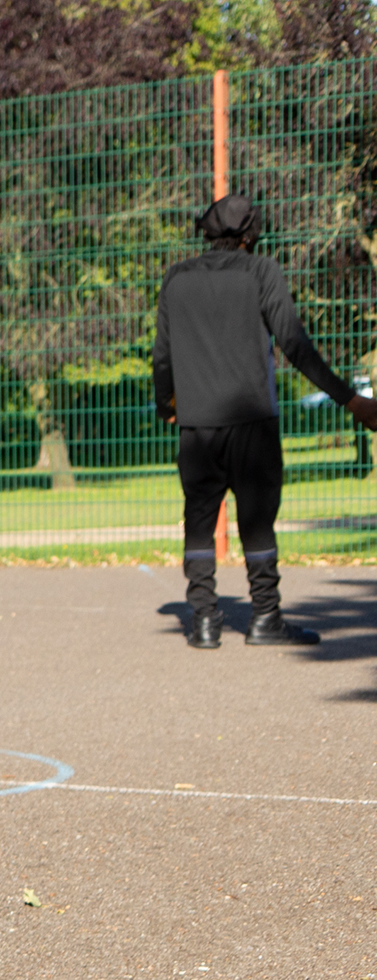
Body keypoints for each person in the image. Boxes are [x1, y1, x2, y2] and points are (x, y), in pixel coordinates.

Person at [154, 193, 377, 647]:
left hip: (196, 426)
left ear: (207, 231)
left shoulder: (176, 279)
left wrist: (167, 405)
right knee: (257, 520)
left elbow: (162, 356)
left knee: (198, 517)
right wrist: (350, 400)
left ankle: (202, 620)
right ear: (250, 234)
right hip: (252, 421)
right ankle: (264, 619)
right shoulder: (261, 272)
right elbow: (294, 345)